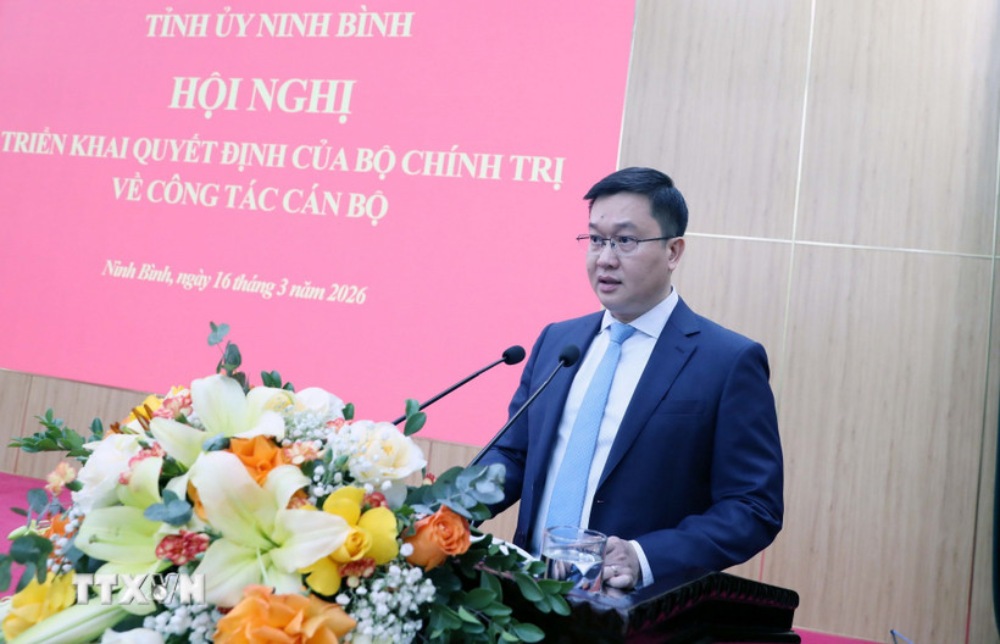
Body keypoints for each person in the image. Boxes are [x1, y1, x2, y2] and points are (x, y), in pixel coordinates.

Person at [477, 167, 784, 591]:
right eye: (596, 239)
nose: (605, 258)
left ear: (674, 252)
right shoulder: (557, 342)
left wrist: (644, 557)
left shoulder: (727, 362)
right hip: (526, 595)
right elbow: (513, 456)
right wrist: (452, 508)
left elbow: (753, 507)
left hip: (635, 612)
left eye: (625, 240)